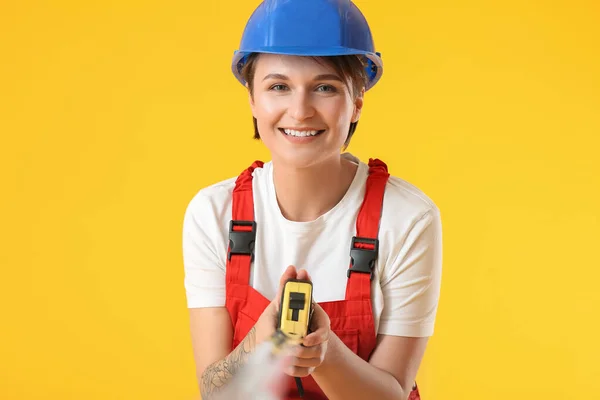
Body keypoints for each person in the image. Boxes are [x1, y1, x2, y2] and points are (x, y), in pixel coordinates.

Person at [182, 0, 443, 399]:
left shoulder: (407, 218)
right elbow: (215, 393)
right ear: (252, 99)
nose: (300, 110)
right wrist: (261, 344)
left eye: (325, 87)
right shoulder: (213, 214)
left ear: (356, 103)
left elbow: (392, 392)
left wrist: (325, 353)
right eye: (278, 86)